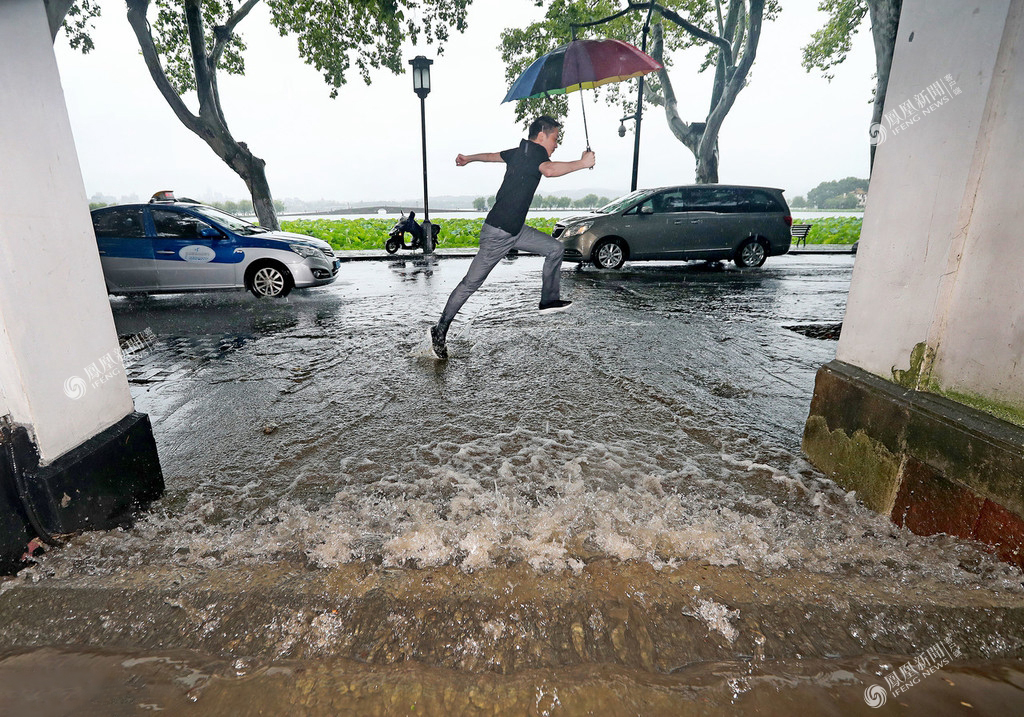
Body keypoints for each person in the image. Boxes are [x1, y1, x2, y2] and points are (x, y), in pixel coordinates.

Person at [428, 116, 596, 359]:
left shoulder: (519, 152)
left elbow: (493, 155)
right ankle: (440, 328)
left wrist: (469, 158)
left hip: (516, 230)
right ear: (541, 135)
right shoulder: (537, 154)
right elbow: (549, 171)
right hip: (497, 233)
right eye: (555, 138)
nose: (556, 144)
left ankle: (549, 300)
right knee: (471, 283)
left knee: (555, 249)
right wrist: (581, 163)